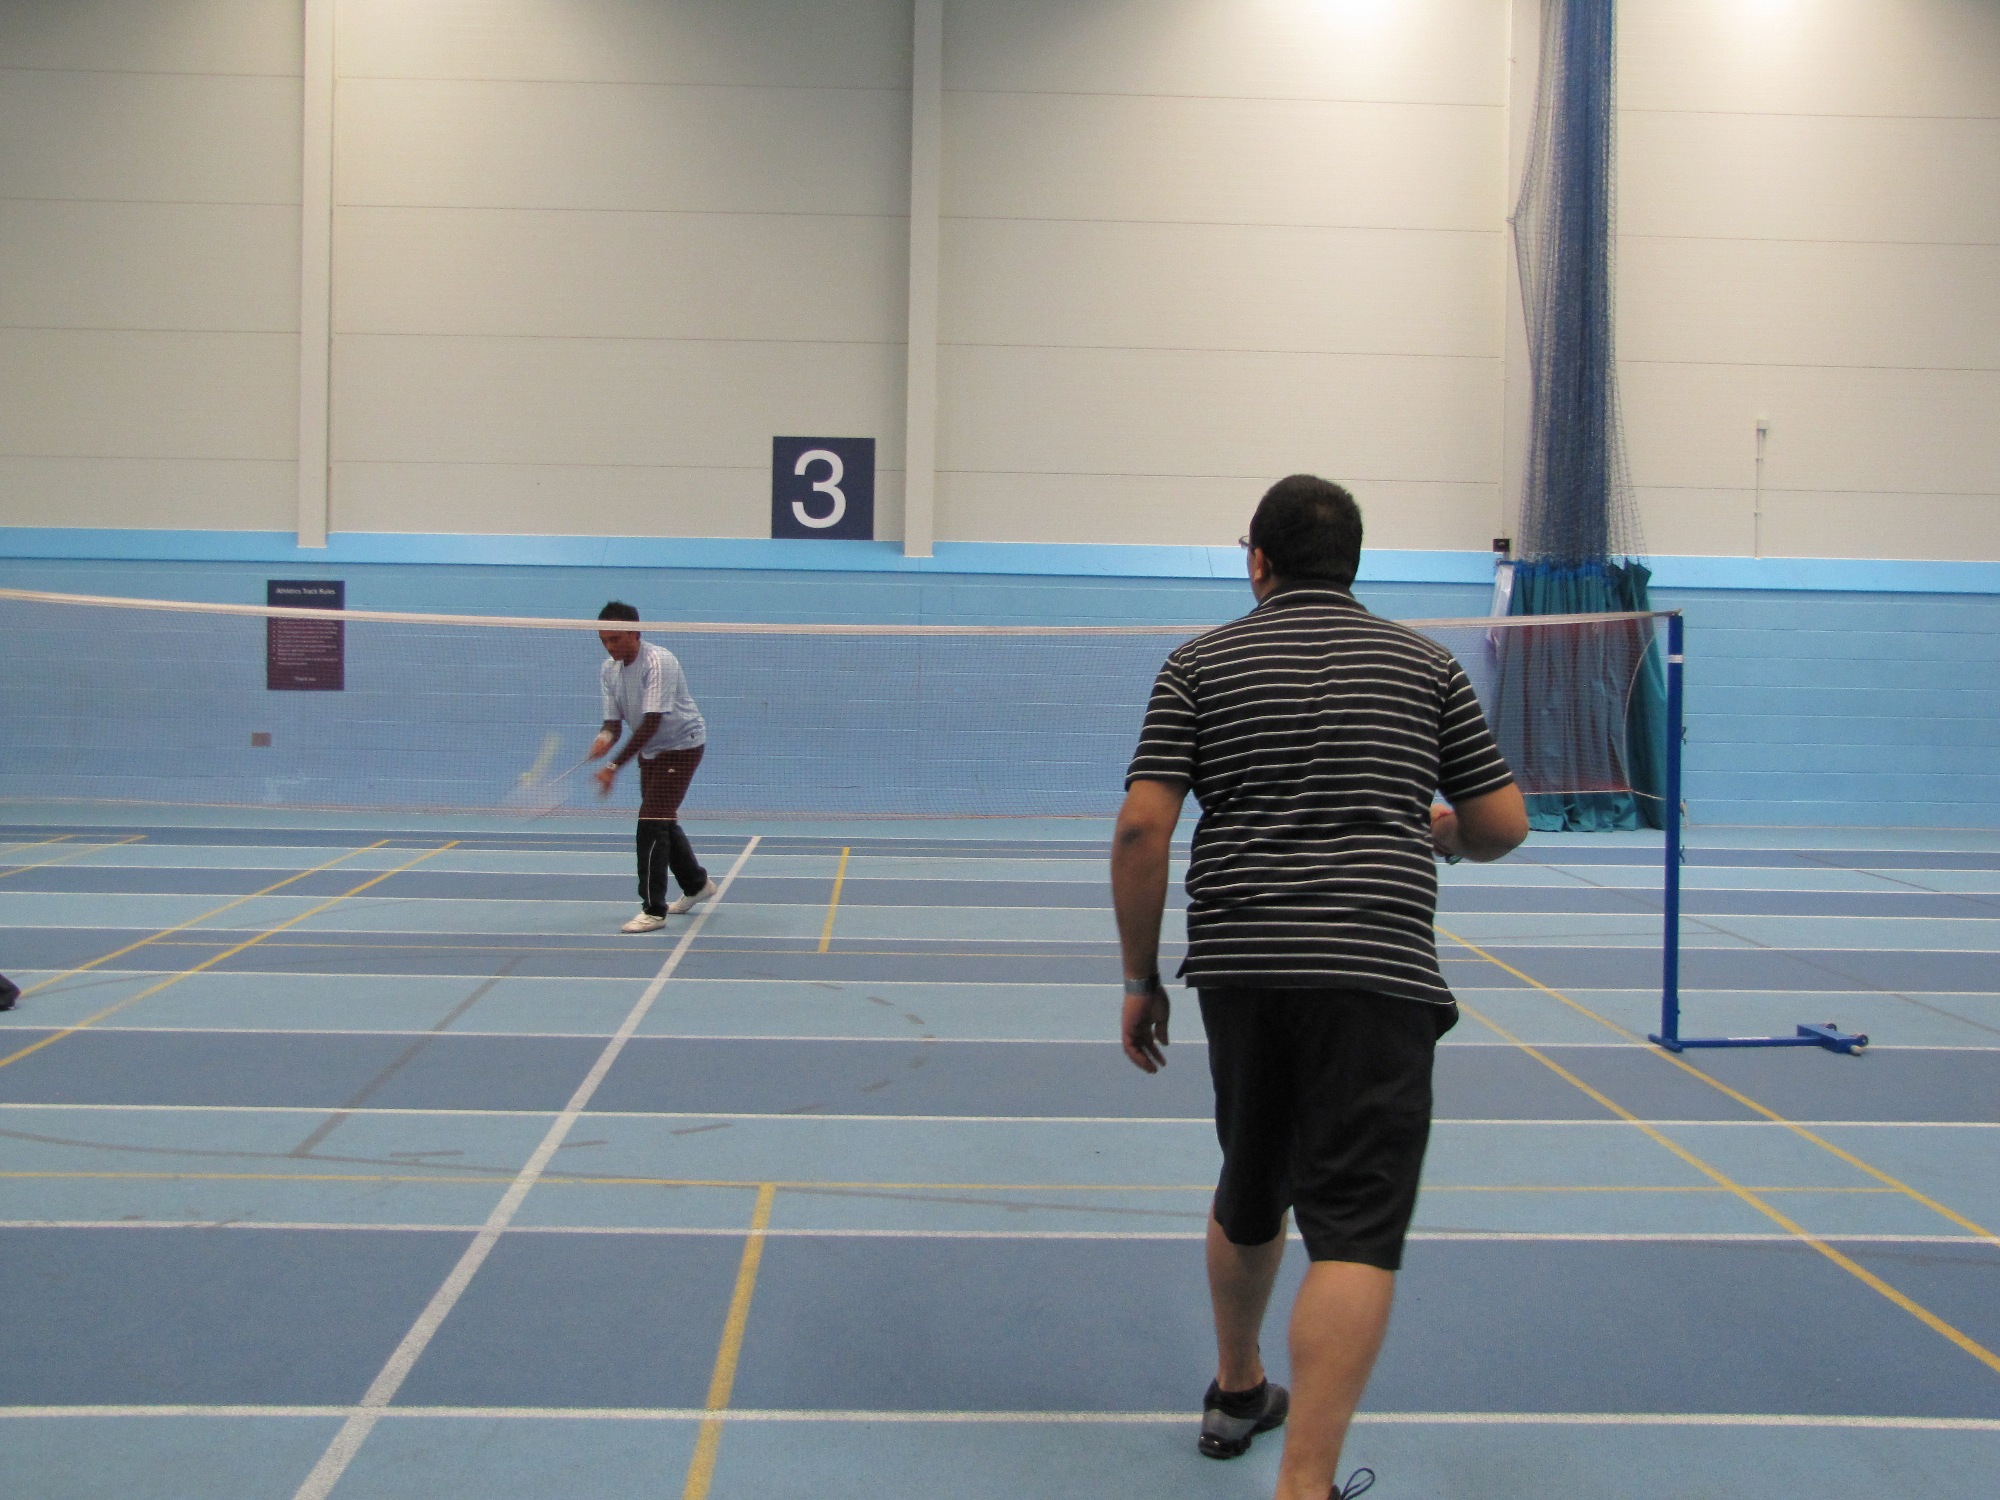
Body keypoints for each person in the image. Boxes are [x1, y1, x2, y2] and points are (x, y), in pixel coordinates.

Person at [1110, 475, 1528, 1500]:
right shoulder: (1425, 665)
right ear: (1353, 562)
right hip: (1375, 969)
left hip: (1242, 967)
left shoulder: (1198, 663)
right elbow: (1501, 824)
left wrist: (1138, 977)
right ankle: (1302, 1484)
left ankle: (1236, 1385)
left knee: (1251, 1180)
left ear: (1256, 558)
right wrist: (1444, 837)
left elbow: (1138, 832)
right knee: (1352, 1226)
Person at [590, 601, 718, 933]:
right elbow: (614, 724)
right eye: (604, 639)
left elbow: (651, 723)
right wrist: (605, 737)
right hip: (651, 751)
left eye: (615, 639)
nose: (609, 646)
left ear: (635, 632)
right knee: (661, 819)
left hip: (681, 746)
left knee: (650, 824)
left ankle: (653, 910)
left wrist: (614, 765)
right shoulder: (608, 670)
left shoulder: (659, 662)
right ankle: (696, 884)